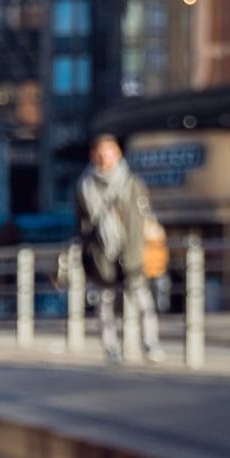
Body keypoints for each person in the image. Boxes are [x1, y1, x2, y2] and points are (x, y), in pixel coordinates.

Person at [77, 136, 162, 364]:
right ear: (93, 155)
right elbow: (82, 223)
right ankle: (111, 349)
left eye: (109, 152)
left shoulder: (132, 183)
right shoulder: (84, 186)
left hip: (131, 250)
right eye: (100, 153)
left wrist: (144, 244)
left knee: (143, 300)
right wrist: (89, 251)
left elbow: (144, 216)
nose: (105, 158)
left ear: (118, 154)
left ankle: (151, 344)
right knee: (105, 302)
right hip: (102, 252)